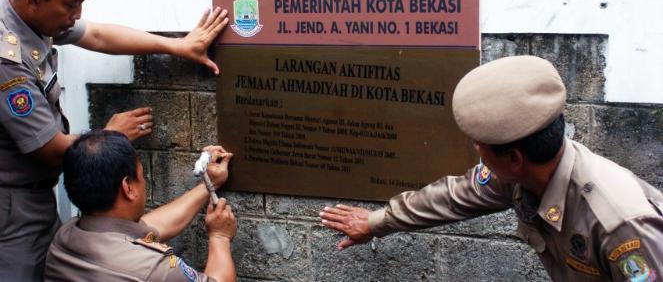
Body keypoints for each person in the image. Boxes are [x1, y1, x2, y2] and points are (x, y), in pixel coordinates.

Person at [0, 0, 229, 281]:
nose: (77, 15)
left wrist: (177, 46)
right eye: (71, 5)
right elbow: (48, 150)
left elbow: (97, 35)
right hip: (13, 209)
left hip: (37, 198)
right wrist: (108, 137)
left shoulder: (33, 16)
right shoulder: (6, 58)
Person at [320, 56, 663, 280]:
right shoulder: (524, 175)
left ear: (514, 159)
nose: (475, 150)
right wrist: (375, 222)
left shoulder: (620, 224)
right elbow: (454, 196)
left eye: (479, 145)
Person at [45, 130, 237, 282]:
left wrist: (208, 184)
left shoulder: (64, 237)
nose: (144, 182)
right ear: (128, 187)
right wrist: (219, 236)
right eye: (141, 175)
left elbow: (149, 226)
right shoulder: (152, 269)